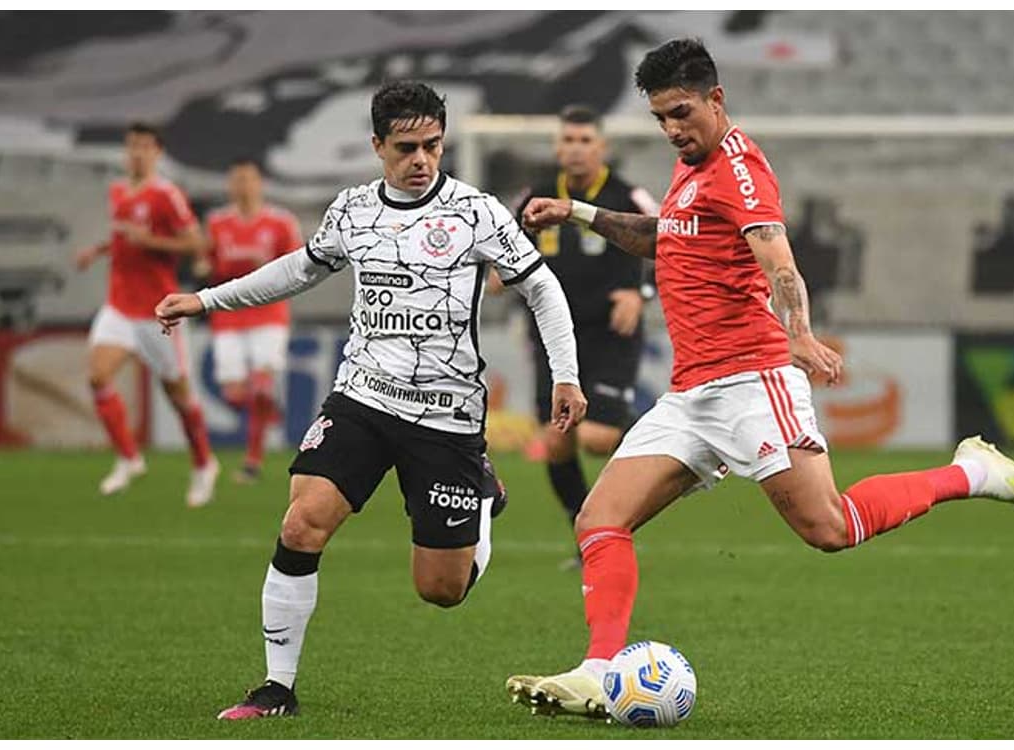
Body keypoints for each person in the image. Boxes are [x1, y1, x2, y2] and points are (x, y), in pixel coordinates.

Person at [505, 38, 1014, 719]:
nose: (673, 128)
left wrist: (798, 330)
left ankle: (971, 473)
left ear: (717, 99)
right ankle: (597, 669)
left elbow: (780, 263)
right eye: (659, 118)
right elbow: (665, 237)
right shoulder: (690, 166)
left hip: (752, 381)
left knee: (830, 527)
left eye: (682, 112)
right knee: (600, 519)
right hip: (690, 395)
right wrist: (579, 212)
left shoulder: (739, 168)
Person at [155, 81, 588, 720]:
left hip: (446, 415)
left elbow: (542, 289)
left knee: (440, 591)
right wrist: (207, 299)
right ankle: (278, 687)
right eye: (407, 148)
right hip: (362, 395)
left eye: (433, 146)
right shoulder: (352, 210)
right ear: (377, 146)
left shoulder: (476, 212)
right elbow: (298, 269)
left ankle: (482, 503)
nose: (422, 160)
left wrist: (566, 375)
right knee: (302, 522)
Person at [513, 105, 659, 563]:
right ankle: (589, 532)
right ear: (558, 147)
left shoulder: (627, 196)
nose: (576, 149)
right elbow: (508, 249)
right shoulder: (535, 196)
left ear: (602, 147)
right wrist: (498, 277)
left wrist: (642, 292)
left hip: (610, 334)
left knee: (596, 436)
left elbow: (673, 246)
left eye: (585, 141)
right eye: (569, 141)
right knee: (556, 440)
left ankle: (666, 445)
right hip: (554, 337)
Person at [74, 122, 219, 507]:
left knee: (178, 396)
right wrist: (99, 250)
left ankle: (204, 464)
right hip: (119, 306)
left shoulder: (166, 195)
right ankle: (128, 458)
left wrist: (150, 240)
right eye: (131, 146)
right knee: (97, 376)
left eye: (143, 146)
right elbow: (123, 237)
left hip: (159, 312)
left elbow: (195, 243)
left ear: (157, 152)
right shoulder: (118, 191)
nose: (136, 153)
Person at [202, 158, 303, 483]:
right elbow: (205, 263)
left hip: (269, 314)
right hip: (228, 316)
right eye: (237, 180)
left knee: (260, 387)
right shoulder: (217, 223)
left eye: (248, 179)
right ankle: (269, 410)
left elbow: (298, 266)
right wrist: (203, 269)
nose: (243, 186)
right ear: (230, 186)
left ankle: (253, 461)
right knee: (233, 395)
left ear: (260, 183)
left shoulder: (280, 222)